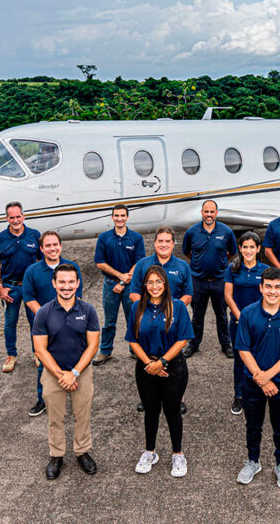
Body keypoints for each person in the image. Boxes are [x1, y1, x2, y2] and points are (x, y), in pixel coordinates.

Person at [235, 267, 280, 490]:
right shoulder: (248, 313)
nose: (272, 291)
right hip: (252, 383)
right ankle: (253, 461)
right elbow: (243, 350)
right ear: (261, 287)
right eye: (268, 286)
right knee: (253, 426)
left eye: (277, 287)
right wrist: (261, 379)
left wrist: (268, 377)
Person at [32, 264, 101, 480]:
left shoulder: (88, 310)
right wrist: (62, 375)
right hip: (54, 374)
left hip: (81, 372)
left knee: (82, 415)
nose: (66, 286)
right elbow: (40, 349)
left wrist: (76, 372)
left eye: (71, 282)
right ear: (54, 284)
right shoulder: (44, 313)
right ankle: (57, 455)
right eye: (61, 282)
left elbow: (93, 345)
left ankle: (82, 452)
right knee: (56, 417)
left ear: (78, 283)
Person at [127, 266, 194, 478]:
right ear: (144, 285)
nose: (154, 286)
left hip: (173, 367)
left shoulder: (177, 307)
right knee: (151, 410)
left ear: (165, 284)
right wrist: (150, 364)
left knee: (172, 410)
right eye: (150, 282)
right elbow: (132, 339)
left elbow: (182, 338)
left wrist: (162, 362)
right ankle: (150, 452)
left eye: (158, 282)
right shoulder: (137, 307)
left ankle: (177, 453)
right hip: (146, 366)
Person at [128, 226, 192, 414]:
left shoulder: (182, 266)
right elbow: (133, 293)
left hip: (173, 322)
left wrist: (171, 311)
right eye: (160, 241)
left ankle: (176, 397)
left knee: (175, 360)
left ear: (173, 244)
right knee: (147, 359)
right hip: (148, 322)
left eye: (167, 241)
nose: (163, 244)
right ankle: (148, 397)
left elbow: (188, 294)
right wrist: (150, 311)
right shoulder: (142, 265)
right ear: (154, 243)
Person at [24, 231, 83, 418]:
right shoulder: (32, 271)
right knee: (44, 364)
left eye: (55, 244)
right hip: (43, 328)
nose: (52, 248)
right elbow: (29, 299)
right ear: (41, 249)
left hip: (69, 325)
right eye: (48, 245)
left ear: (61, 246)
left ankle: (73, 397)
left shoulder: (72, 267)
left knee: (72, 360)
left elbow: (77, 296)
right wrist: (47, 318)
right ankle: (43, 399)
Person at [0, 202, 42, 373]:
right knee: (10, 323)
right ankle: (11, 355)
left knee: (36, 322)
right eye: (11, 217)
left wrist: (40, 284)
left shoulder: (34, 235)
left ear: (23, 217)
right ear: (7, 219)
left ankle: (38, 353)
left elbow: (42, 262)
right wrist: (0, 288)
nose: (15, 220)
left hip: (31, 289)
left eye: (18, 216)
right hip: (10, 288)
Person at [182, 200, 238, 359]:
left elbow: (232, 252)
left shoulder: (226, 232)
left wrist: (219, 262)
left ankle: (226, 345)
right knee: (197, 315)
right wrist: (199, 261)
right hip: (198, 280)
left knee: (222, 314)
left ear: (216, 213)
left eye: (212, 212)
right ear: (202, 213)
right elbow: (187, 252)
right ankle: (193, 344)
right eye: (206, 211)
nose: (209, 215)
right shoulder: (192, 232)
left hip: (219, 280)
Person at [93, 204, 146, 365]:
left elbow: (139, 262)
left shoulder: (136, 238)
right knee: (109, 321)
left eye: (123, 215)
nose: (120, 218)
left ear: (127, 217)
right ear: (112, 217)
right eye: (116, 215)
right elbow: (100, 263)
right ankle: (105, 351)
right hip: (110, 285)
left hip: (130, 286)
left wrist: (123, 281)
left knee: (134, 319)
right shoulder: (104, 238)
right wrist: (119, 276)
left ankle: (135, 350)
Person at [224, 231, 269, 416]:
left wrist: (256, 318)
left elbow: (269, 295)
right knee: (240, 360)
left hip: (261, 321)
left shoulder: (265, 270)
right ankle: (239, 395)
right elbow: (228, 295)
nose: (248, 250)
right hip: (238, 321)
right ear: (240, 249)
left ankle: (259, 392)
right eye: (245, 247)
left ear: (258, 249)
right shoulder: (232, 268)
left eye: (252, 247)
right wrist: (241, 316)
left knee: (261, 357)